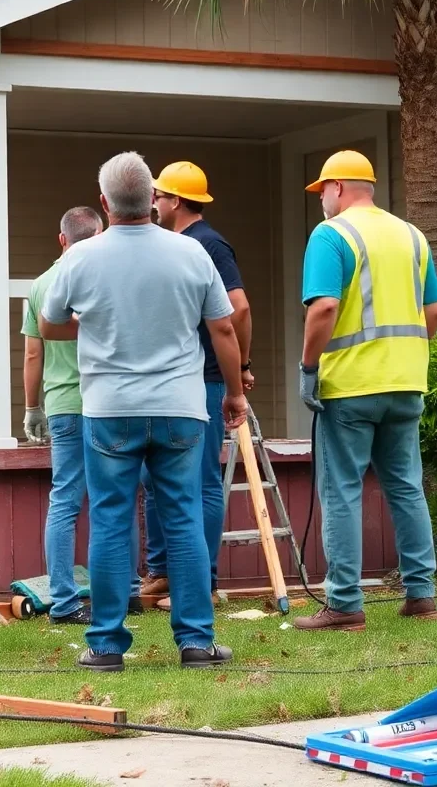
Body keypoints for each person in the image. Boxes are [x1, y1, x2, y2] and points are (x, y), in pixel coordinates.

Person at [40, 152, 247, 672]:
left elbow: (49, 325)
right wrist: (234, 393)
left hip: (109, 409)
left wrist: (95, 329)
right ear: (153, 199)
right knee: (182, 517)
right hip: (179, 407)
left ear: (105, 201)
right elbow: (223, 327)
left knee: (111, 520)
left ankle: (106, 645)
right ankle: (197, 641)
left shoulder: (80, 258)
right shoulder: (190, 253)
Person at [295, 150, 437, 632]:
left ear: (337, 187)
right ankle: (422, 595)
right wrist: (404, 356)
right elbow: (434, 313)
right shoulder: (412, 236)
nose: (321, 202)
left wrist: (308, 367)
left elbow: (322, 310)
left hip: (352, 386)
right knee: (405, 486)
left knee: (341, 490)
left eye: (322, 192)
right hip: (406, 383)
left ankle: (344, 604)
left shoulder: (331, 235)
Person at [21, 207, 145, 624]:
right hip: (109, 402)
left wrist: (31, 407)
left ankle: (64, 600)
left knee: (65, 500)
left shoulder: (41, 285)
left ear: (62, 239)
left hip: (62, 406)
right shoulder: (105, 276)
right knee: (118, 496)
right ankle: (128, 591)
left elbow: (33, 352)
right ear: (99, 236)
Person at [143, 161, 253, 609]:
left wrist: (239, 367)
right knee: (155, 478)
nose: (153, 204)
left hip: (207, 380)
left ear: (174, 200)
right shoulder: (178, 244)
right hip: (178, 382)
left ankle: (201, 582)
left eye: (159, 197)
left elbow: (238, 309)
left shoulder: (208, 244)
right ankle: (164, 573)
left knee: (203, 482)